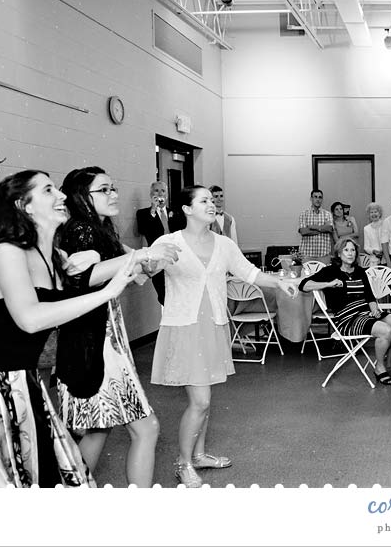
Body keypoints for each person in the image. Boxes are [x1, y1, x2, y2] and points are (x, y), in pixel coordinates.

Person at [0, 170, 138, 487]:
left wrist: (103, 256)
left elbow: (85, 277)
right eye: (47, 190)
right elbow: (29, 318)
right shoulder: (7, 251)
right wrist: (107, 293)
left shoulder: (53, 254)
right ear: (24, 205)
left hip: (27, 381)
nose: (60, 195)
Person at [149, 185, 298, 488]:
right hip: (184, 327)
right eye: (202, 200)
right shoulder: (169, 241)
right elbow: (147, 270)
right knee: (200, 400)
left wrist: (278, 282)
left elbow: (249, 273)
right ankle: (184, 462)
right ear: (187, 209)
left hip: (214, 324)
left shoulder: (224, 244)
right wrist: (145, 260)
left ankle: (200, 453)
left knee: (205, 398)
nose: (211, 204)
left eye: (211, 199)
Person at [56, 167, 180, 487]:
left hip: (105, 337)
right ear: (82, 196)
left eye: (114, 188)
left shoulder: (102, 229)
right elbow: (81, 276)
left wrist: (157, 258)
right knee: (145, 428)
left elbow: (139, 275)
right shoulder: (80, 230)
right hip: (94, 341)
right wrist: (143, 254)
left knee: (100, 427)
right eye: (104, 190)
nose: (113, 195)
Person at [299, 239, 391, 385]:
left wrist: (375, 309)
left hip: (366, 312)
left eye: (352, 250)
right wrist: (328, 284)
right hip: (347, 318)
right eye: (346, 250)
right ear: (339, 253)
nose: (350, 254)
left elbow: (370, 296)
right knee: (386, 330)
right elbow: (304, 285)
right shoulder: (330, 271)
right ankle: (380, 367)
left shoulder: (360, 271)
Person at [137, 181, 184, 305]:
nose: (160, 193)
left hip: (175, 259)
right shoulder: (143, 214)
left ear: (166, 194)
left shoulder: (175, 213)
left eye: (163, 191)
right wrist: (153, 209)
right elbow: (143, 229)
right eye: (156, 191)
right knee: (163, 295)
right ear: (151, 194)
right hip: (157, 260)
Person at [297, 189, 333, 263]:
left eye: (320, 197)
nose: (318, 199)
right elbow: (303, 231)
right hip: (306, 254)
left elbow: (329, 229)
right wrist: (322, 229)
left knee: (324, 275)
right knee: (307, 275)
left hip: (324, 254)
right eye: (315, 197)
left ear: (322, 199)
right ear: (311, 199)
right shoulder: (304, 214)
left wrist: (313, 227)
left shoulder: (327, 214)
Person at [361, 202, 386, 267]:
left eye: (376, 212)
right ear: (368, 215)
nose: (373, 214)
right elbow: (366, 247)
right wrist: (374, 251)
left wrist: (383, 251)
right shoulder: (366, 228)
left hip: (386, 258)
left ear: (380, 213)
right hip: (374, 260)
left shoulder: (386, 225)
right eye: (371, 212)